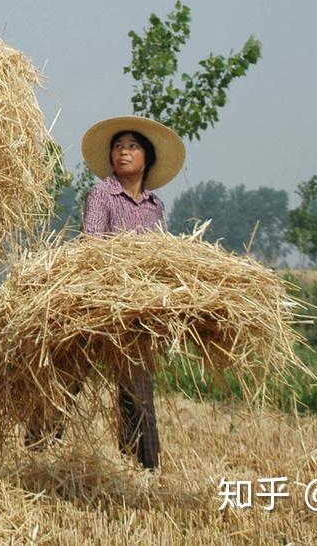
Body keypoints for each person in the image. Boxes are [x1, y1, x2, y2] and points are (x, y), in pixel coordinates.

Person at [80, 114, 185, 470]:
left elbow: (161, 256)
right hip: (100, 298)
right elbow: (92, 244)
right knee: (70, 370)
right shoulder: (101, 194)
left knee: (138, 384)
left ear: (147, 158)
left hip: (138, 307)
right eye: (118, 147)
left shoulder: (156, 207)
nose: (123, 153)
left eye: (132, 146)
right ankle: (41, 438)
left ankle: (146, 464)